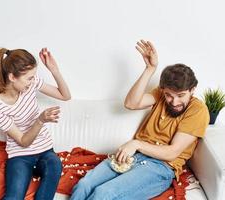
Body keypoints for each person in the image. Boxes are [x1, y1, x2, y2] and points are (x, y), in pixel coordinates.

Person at [70, 40, 209, 200]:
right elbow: (131, 103)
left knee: (104, 193)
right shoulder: (159, 95)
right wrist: (150, 69)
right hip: (133, 156)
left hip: (160, 167)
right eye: (169, 95)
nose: (174, 101)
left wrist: (136, 144)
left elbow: (172, 152)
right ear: (163, 90)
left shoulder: (197, 110)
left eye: (181, 95)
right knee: (83, 185)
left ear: (192, 90)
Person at [0, 47, 71, 200]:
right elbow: (23, 141)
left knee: (54, 165)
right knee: (14, 197)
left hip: (45, 150)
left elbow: (65, 96)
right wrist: (40, 120)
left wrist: (54, 70)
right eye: (29, 78)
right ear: (12, 77)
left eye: (33, 77)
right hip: (20, 155)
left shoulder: (30, 84)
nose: (32, 81)